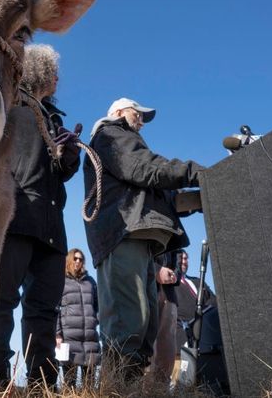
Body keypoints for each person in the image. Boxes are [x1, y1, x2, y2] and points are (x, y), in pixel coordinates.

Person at [82, 97, 205, 380]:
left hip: (139, 237)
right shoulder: (111, 134)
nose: (141, 121)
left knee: (144, 322)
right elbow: (143, 167)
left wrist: (197, 198)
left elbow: (153, 186)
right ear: (118, 113)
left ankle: (130, 385)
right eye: (137, 114)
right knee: (129, 319)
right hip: (123, 234)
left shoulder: (123, 141)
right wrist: (197, 173)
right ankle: (118, 388)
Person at [0, 45, 81, 388]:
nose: (59, 80)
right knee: (1, 303)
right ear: (45, 76)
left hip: (52, 230)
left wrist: (69, 157)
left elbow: (56, 172)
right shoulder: (7, 107)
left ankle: (42, 386)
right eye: (56, 73)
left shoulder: (54, 119)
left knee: (43, 311)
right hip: (13, 221)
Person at [55, 248, 101, 390]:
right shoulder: (61, 282)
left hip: (89, 339)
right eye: (75, 258)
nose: (78, 261)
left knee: (89, 386)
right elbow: (55, 309)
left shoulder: (90, 281)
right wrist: (57, 333)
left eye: (81, 259)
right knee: (70, 385)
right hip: (69, 339)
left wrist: (94, 320)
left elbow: (98, 305)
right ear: (69, 260)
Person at [151, 249, 183, 384]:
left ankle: (160, 387)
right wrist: (156, 270)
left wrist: (173, 275)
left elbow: (178, 260)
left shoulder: (174, 235)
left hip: (168, 295)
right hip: (147, 289)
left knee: (167, 344)